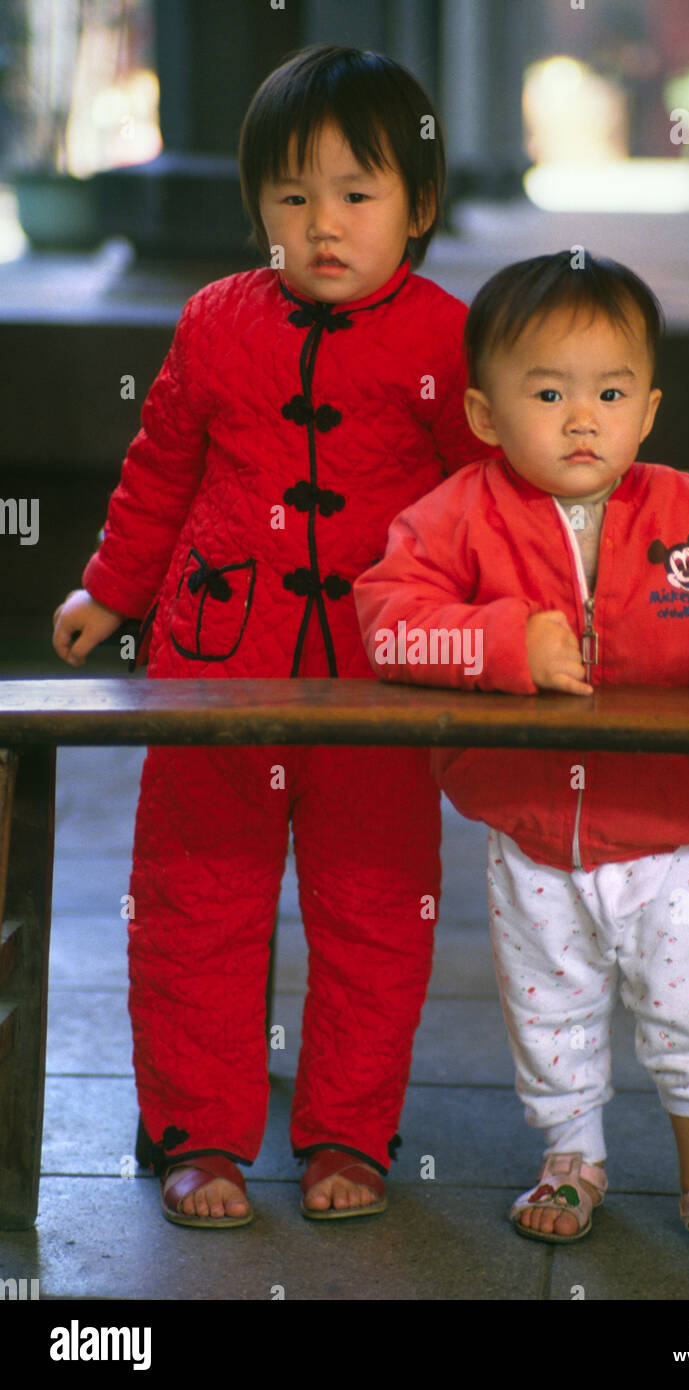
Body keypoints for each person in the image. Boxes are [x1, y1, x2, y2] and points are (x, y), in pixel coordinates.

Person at [52, 44, 491, 1228]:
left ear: (422, 205)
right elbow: (160, 471)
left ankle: (350, 1127)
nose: (325, 225)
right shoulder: (213, 323)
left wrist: (512, 624)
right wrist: (113, 588)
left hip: (380, 688)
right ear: (258, 209)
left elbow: (485, 506)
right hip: (214, 670)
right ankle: (196, 1130)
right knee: (196, 894)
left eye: (358, 194)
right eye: (292, 197)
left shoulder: (452, 348)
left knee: (374, 901)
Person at [353, 250, 689, 1271]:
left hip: (678, 837)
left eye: (609, 393)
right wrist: (502, 645)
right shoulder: (459, 516)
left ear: (647, 409)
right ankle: (572, 1155)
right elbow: (389, 623)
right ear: (485, 415)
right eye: (549, 393)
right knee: (551, 1012)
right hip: (533, 835)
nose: (583, 419)